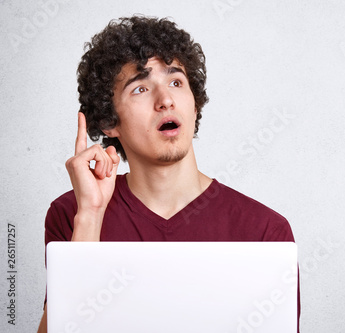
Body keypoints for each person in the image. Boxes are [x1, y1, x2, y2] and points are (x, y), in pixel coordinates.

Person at [38, 15, 299, 332]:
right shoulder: (72, 214)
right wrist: (90, 217)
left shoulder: (265, 232)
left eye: (176, 82)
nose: (165, 100)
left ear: (195, 105)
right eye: (141, 88)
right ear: (109, 121)